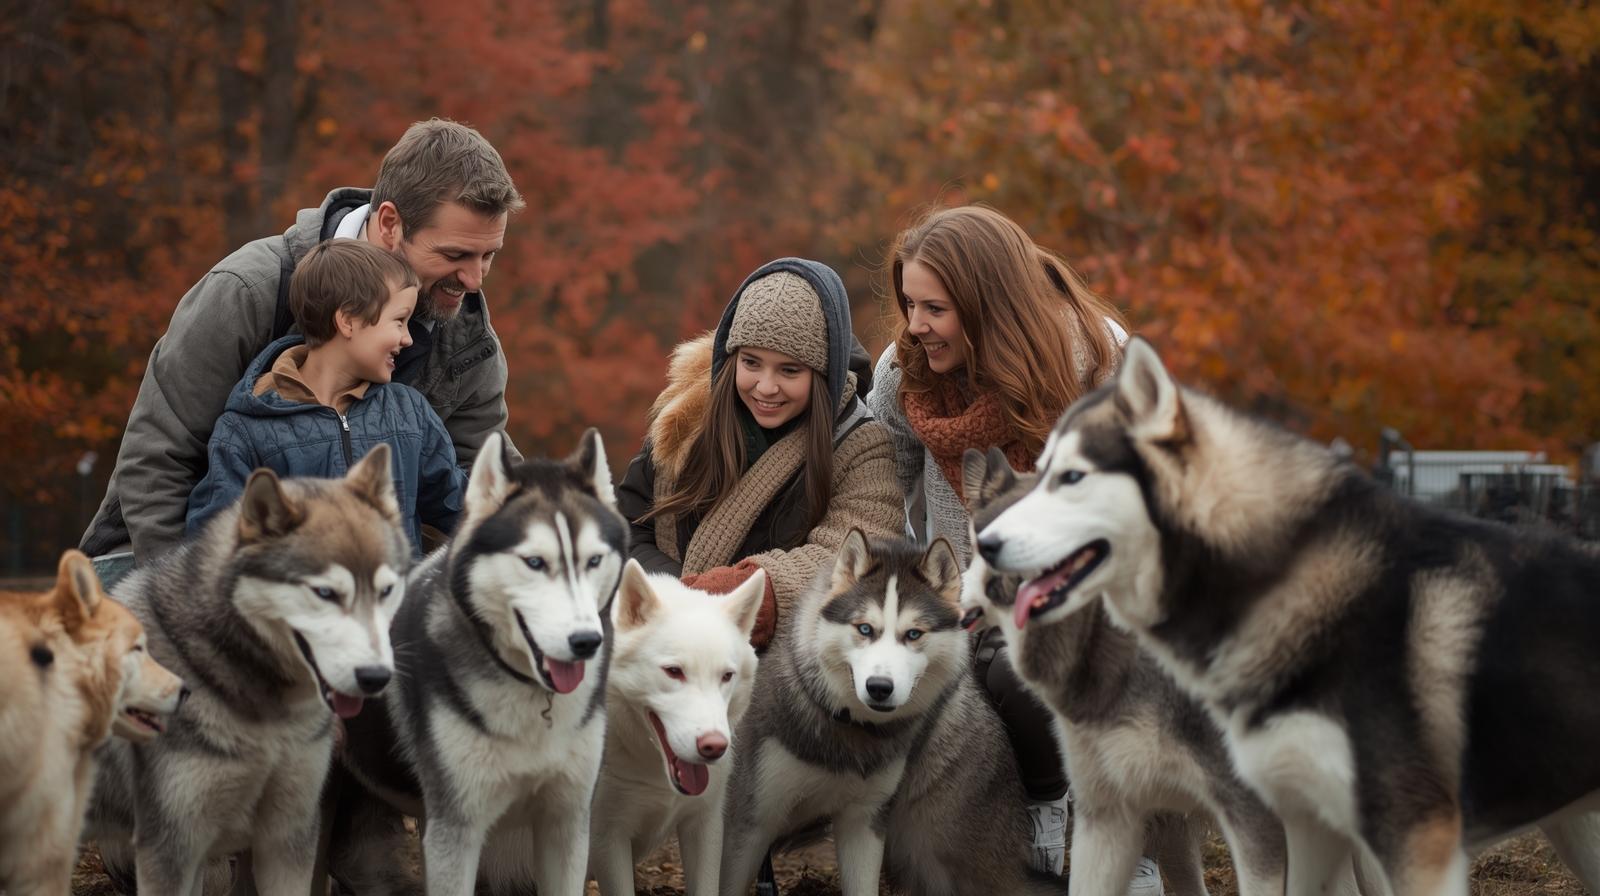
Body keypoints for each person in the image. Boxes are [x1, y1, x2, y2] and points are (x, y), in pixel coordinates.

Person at [864, 205, 1159, 893]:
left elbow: (1141, 503)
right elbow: (878, 501)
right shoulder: (904, 373)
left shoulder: (1094, 353)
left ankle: (1090, 839)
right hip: (958, 601)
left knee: (1023, 667)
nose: (914, 325)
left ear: (987, 304)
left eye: (934, 308)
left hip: (1089, 597)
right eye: (908, 303)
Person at [81, 118, 523, 569]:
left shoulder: (469, 344)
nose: (473, 280)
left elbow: (484, 489)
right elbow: (158, 462)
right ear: (390, 223)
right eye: (455, 255)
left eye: (488, 256)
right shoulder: (248, 293)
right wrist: (196, 613)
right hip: (167, 562)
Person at [616, 258, 904, 652]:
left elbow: (851, 555)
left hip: (784, 667)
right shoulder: (688, 418)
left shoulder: (859, 443)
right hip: (665, 643)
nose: (766, 387)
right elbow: (626, 527)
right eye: (751, 363)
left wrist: (730, 597)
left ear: (822, 375)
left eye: (789, 371)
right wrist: (683, 599)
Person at [185, 240, 466, 552]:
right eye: (399, 321)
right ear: (347, 320)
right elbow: (214, 545)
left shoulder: (408, 412)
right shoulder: (246, 431)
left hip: (396, 598)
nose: (407, 338)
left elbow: (463, 507)